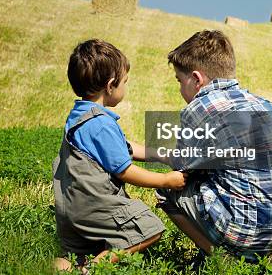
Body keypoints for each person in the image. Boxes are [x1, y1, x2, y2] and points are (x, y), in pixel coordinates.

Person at [156, 30, 272, 262]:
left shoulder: (200, 108)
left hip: (249, 235)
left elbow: (180, 165)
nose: (179, 89)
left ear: (196, 79)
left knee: (166, 189)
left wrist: (142, 153)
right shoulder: (269, 106)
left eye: (179, 80)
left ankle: (221, 259)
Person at [53, 39, 187, 272]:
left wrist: (164, 155)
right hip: (93, 206)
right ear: (111, 85)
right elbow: (124, 170)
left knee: (73, 257)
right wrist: (166, 180)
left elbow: (126, 148)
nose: (126, 86)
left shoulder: (81, 116)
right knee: (149, 228)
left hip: (70, 207)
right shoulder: (101, 124)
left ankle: (67, 266)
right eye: (125, 81)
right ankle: (93, 270)